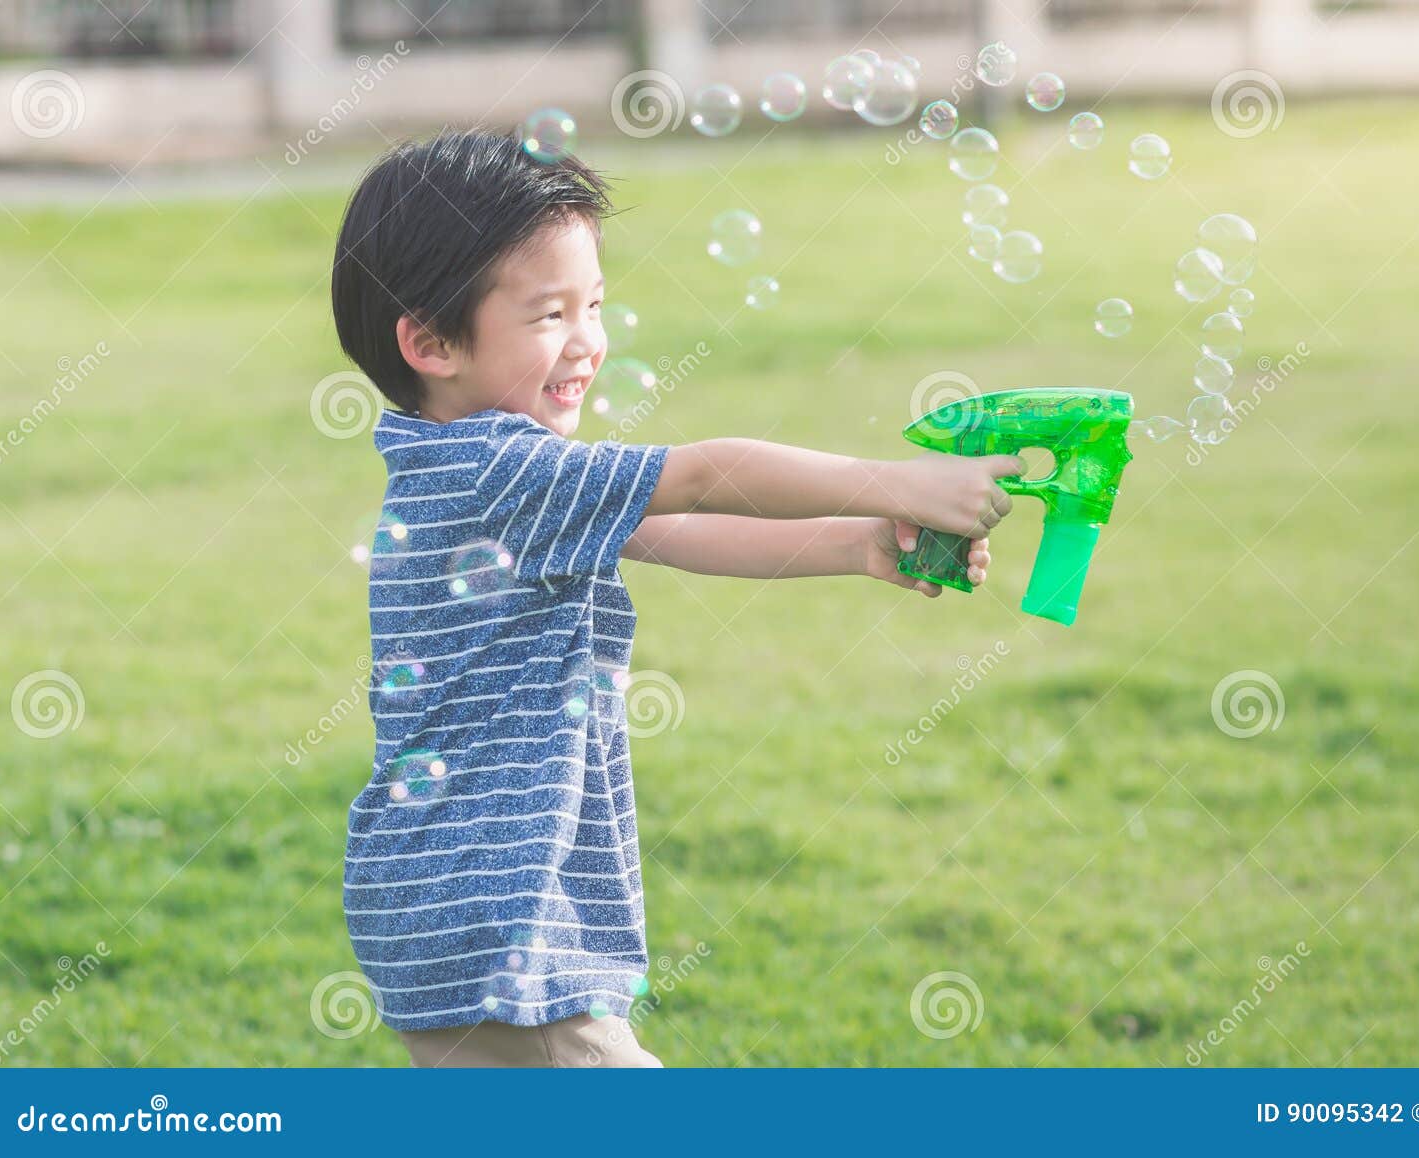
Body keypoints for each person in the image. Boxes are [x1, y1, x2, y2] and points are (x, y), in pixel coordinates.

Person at [329, 128, 1020, 1067]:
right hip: (502, 921)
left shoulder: (476, 468)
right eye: (548, 316)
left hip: (469, 911)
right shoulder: (499, 468)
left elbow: (679, 533)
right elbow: (699, 480)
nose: (588, 343)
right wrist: (897, 486)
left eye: (596, 306)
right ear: (430, 341)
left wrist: (861, 548)